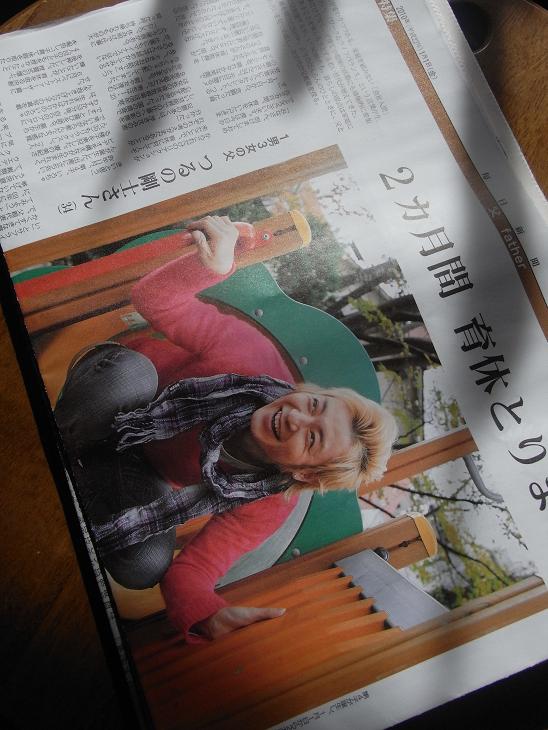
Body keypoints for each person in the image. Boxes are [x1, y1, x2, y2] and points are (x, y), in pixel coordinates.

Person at [55, 216, 397, 641]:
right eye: (314, 405)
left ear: (305, 474)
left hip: (137, 467)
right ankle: (51, 451)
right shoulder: (252, 358)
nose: (296, 417)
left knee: (145, 565)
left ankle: (74, 473)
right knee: (131, 377)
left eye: (312, 438)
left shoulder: (266, 501)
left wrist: (206, 613)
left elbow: (197, 568)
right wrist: (208, 269)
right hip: (115, 390)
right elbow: (155, 300)